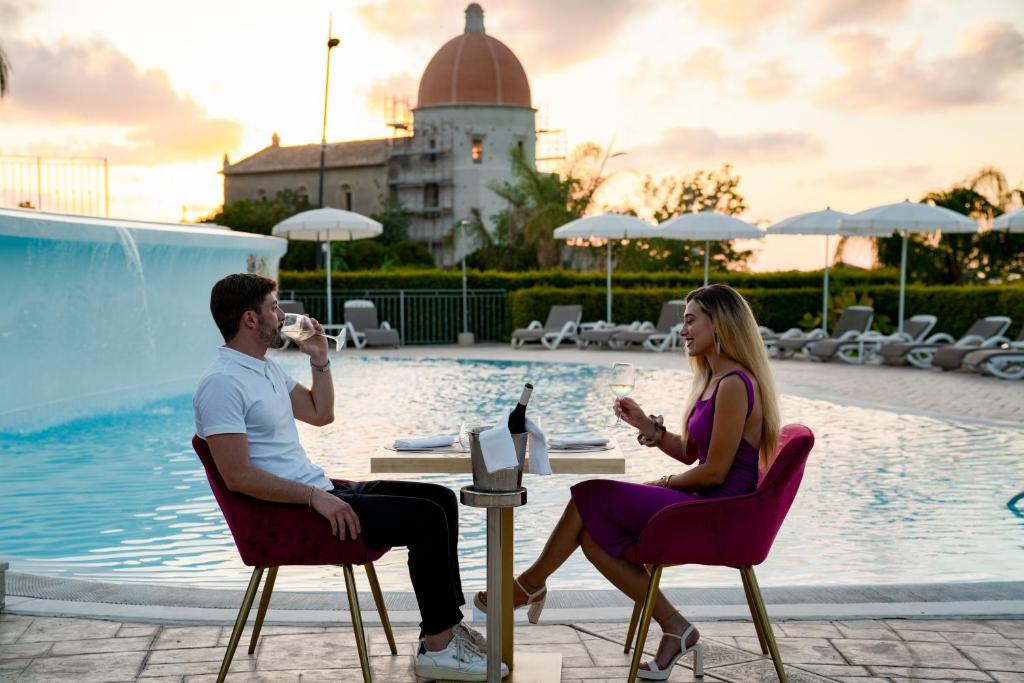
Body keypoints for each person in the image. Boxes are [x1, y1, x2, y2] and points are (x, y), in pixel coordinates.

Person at [193, 273, 500, 682]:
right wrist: (315, 499)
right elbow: (237, 476)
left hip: (320, 490)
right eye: (274, 307)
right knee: (425, 519)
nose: (283, 315)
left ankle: (439, 632)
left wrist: (319, 358)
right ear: (251, 319)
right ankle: (441, 647)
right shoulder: (221, 384)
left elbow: (321, 413)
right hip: (294, 513)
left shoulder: (264, 370)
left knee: (441, 500)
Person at [475, 284, 780, 680]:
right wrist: (646, 426)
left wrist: (663, 483)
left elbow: (715, 472)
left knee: (591, 494)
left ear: (719, 323)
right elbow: (692, 452)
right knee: (590, 534)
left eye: (691, 320)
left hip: (718, 509)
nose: (683, 331)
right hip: (705, 498)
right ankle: (676, 627)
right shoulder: (715, 379)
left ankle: (530, 584)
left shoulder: (736, 384)